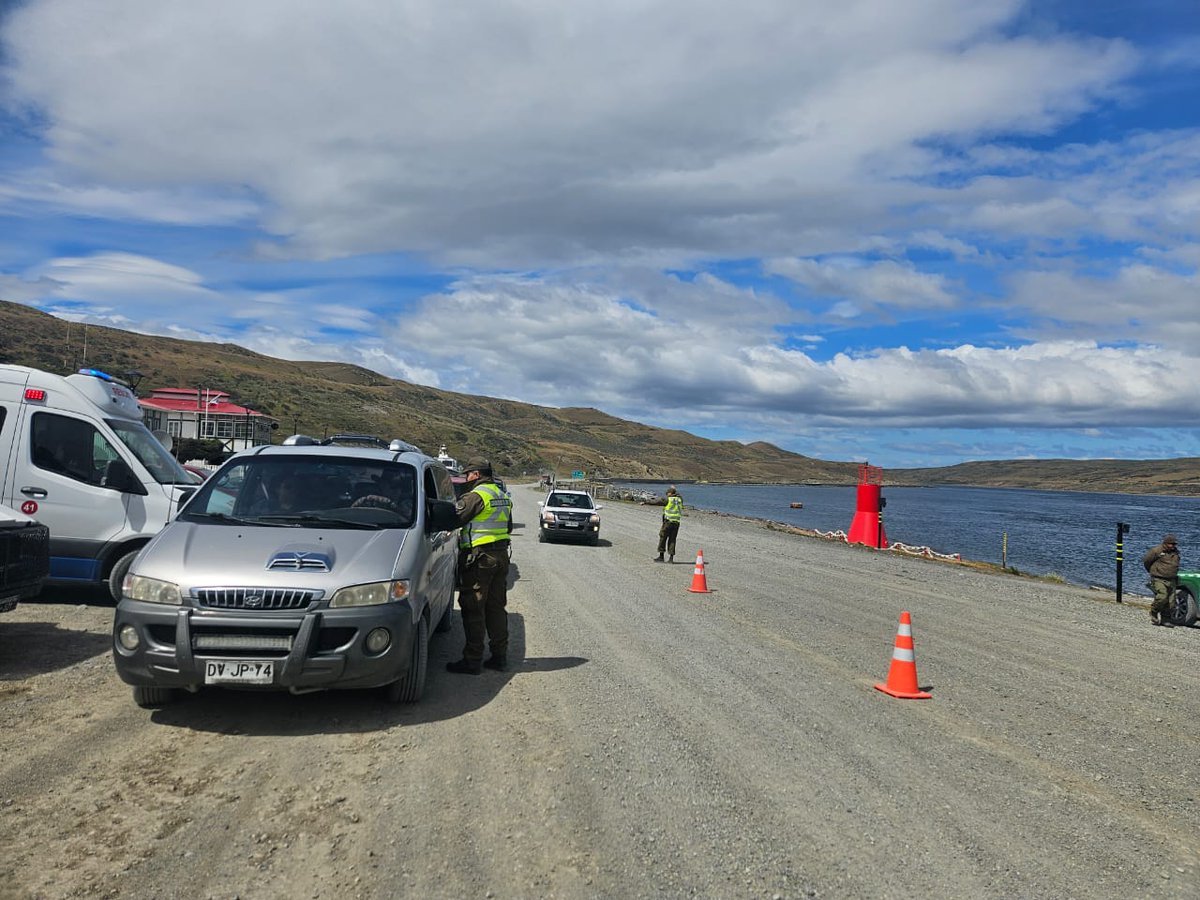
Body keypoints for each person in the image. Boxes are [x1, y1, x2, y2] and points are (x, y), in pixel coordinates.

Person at [446, 457, 513, 674]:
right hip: (501, 555)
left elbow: (454, 519)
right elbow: (508, 527)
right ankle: (499, 657)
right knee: (496, 608)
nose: (466, 478)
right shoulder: (502, 495)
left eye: (468, 474)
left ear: (476, 474)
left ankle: (472, 660)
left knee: (473, 607)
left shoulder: (477, 496)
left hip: (480, 558)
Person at [1143, 534, 1181, 627]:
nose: (1173, 546)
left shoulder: (1176, 552)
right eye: (1171, 544)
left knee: (1171, 602)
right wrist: (1152, 571)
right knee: (1162, 597)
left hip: (1171, 579)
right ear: (1165, 543)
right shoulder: (1156, 551)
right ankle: (1154, 611)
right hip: (1158, 578)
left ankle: (1165, 619)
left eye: (1174, 544)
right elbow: (1146, 561)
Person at [653, 486, 683, 563]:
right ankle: (671, 559)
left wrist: (646, 502)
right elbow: (679, 496)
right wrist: (675, 490)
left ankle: (661, 556)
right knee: (672, 540)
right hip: (676, 523)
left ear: (670, 493)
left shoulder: (668, 500)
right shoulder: (679, 499)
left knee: (663, 537)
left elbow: (657, 502)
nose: (666, 495)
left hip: (668, 522)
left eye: (667, 493)